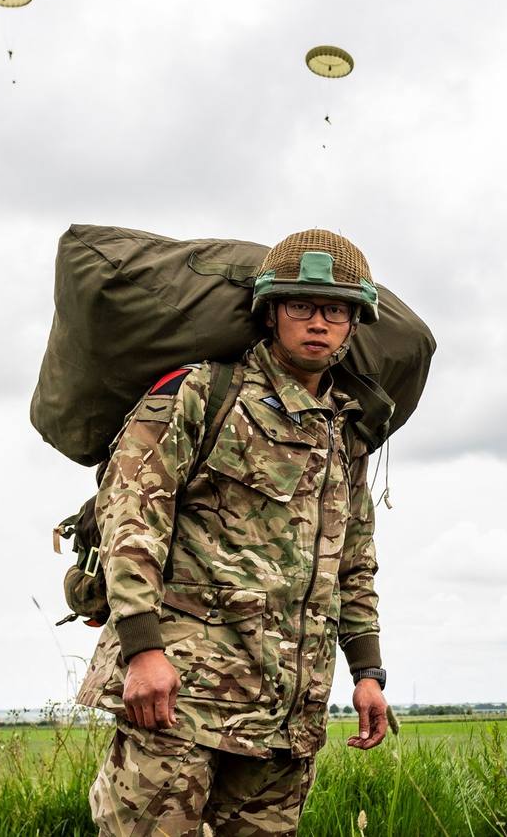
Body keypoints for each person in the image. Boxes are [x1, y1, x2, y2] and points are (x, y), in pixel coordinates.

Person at [76, 229, 390, 836]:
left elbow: (353, 561)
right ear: (272, 312)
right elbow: (132, 520)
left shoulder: (347, 433)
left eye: (335, 310)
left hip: (287, 712)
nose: (318, 322)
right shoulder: (201, 394)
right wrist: (142, 649)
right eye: (301, 305)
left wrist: (368, 673)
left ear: (354, 323)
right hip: (180, 698)